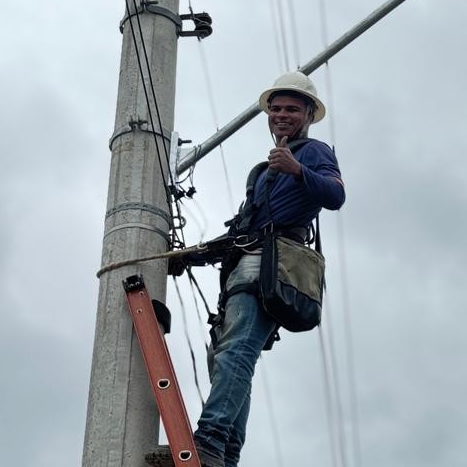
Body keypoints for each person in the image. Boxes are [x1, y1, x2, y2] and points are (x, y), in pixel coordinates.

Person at [148, 71, 345, 467]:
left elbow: (336, 195)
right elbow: (244, 232)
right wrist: (189, 257)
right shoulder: (259, 173)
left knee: (235, 352)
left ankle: (210, 441)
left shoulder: (313, 151)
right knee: (233, 356)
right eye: (276, 109)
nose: (282, 115)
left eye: (292, 108)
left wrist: (297, 170)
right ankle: (223, 453)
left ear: (308, 113)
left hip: (267, 268)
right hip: (245, 265)